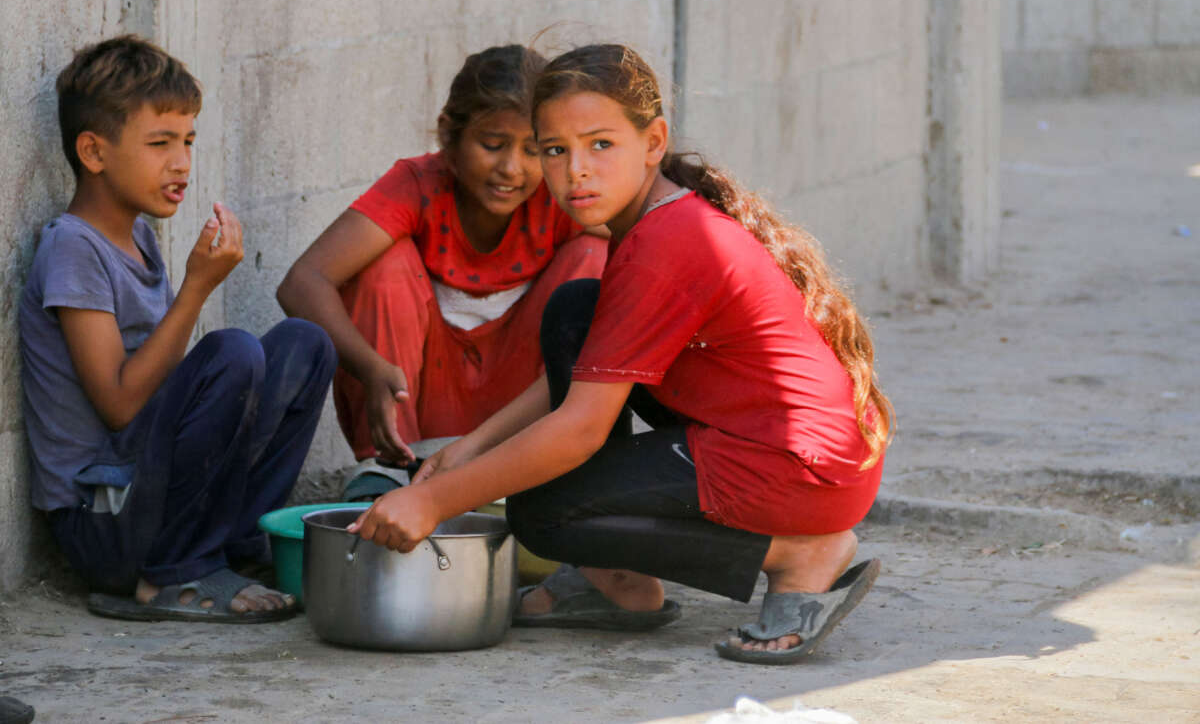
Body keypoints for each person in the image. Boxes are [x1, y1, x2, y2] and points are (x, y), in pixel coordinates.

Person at [349, 43, 893, 664]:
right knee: (577, 311)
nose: (575, 170)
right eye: (555, 150)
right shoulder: (654, 221)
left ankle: (797, 553)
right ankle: (620, 584)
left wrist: (430, 501)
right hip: (776, 443)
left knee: (546, 513)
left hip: (799, 471)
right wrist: (473, 448)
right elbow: (592, 370)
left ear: (653, 140)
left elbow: (579, 430)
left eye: (600, 144)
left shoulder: (666, 243)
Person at [19, 35, 336, 623]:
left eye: (188, 140)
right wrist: (196, 288)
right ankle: (173, 574)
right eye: (160, 143)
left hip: (149, 494)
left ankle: (233, 546)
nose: (182, 162)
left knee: (306, 344)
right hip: (103, 519)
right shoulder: (72, 249)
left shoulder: (137, 236)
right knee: (232, 352)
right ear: (94, 152)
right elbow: (118, 405)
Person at [277, 44, 605, 500]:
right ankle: (385, 468)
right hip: (412, 412)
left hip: (516, 419)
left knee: (595, 256)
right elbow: (302, 282)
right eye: (492, 145)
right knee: (383, 262)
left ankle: (544, 462)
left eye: (534, 150)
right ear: (449, 137)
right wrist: (370, 369)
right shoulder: (418, 185)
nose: (511, 168)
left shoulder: (558, 192)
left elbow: (648, 238)